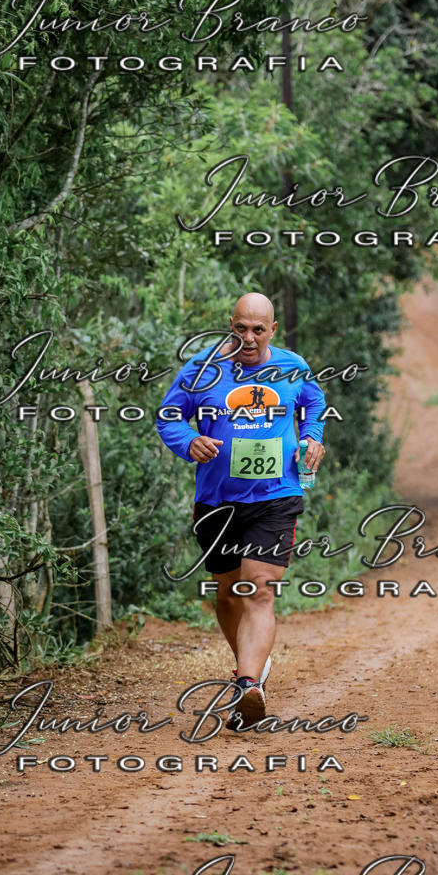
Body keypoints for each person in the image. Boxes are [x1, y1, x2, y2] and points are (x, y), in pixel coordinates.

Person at [156, 293, 326, 728]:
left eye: (258, 329)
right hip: (217, 500)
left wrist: (311, 438)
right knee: (228, 593)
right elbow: (169, 415)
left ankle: (248, 683)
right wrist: (187, 441)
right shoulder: (203, 368)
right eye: (240, 328)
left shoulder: (292, 366)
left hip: (276, 495)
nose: (249, 338)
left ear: (272, 330)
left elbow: (314, 405)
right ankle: (249, 670)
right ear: (230, 325)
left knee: (259, 589)